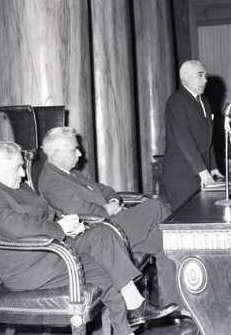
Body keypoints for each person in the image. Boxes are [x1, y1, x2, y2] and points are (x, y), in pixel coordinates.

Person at [0, 142, 178, 335]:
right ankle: (129, 325)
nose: (23, 173)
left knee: (102, 234)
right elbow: (17, 226)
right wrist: (59, 228)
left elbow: (44, 213)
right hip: (29, 266)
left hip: (50, 249)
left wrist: (68, 224)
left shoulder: (15, 186)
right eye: (18, 167)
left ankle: (132, 311)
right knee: (104, 269)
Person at [38, 126, 183, 314]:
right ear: (57, 152)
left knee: (167, 242)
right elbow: (79, 211)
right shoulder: (51, 181)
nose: (80, 154)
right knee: (155, 207)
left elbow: (104, 189)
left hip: (114, 225)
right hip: (101, 234)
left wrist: (113, 200)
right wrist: (107, 210)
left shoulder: (70, 173)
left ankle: (176, 306)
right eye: (74, 149)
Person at [161, 60, 223, 210]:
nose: (205, 80)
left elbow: (207, 139)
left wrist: (213, 167)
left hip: (201, 172)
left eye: (205, 76)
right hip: (181, 176)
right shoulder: (176, 102)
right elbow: (183, 139)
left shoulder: (204, 101)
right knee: (187, 220)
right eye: (200, 75)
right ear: (186, 77)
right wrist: (202, 171)